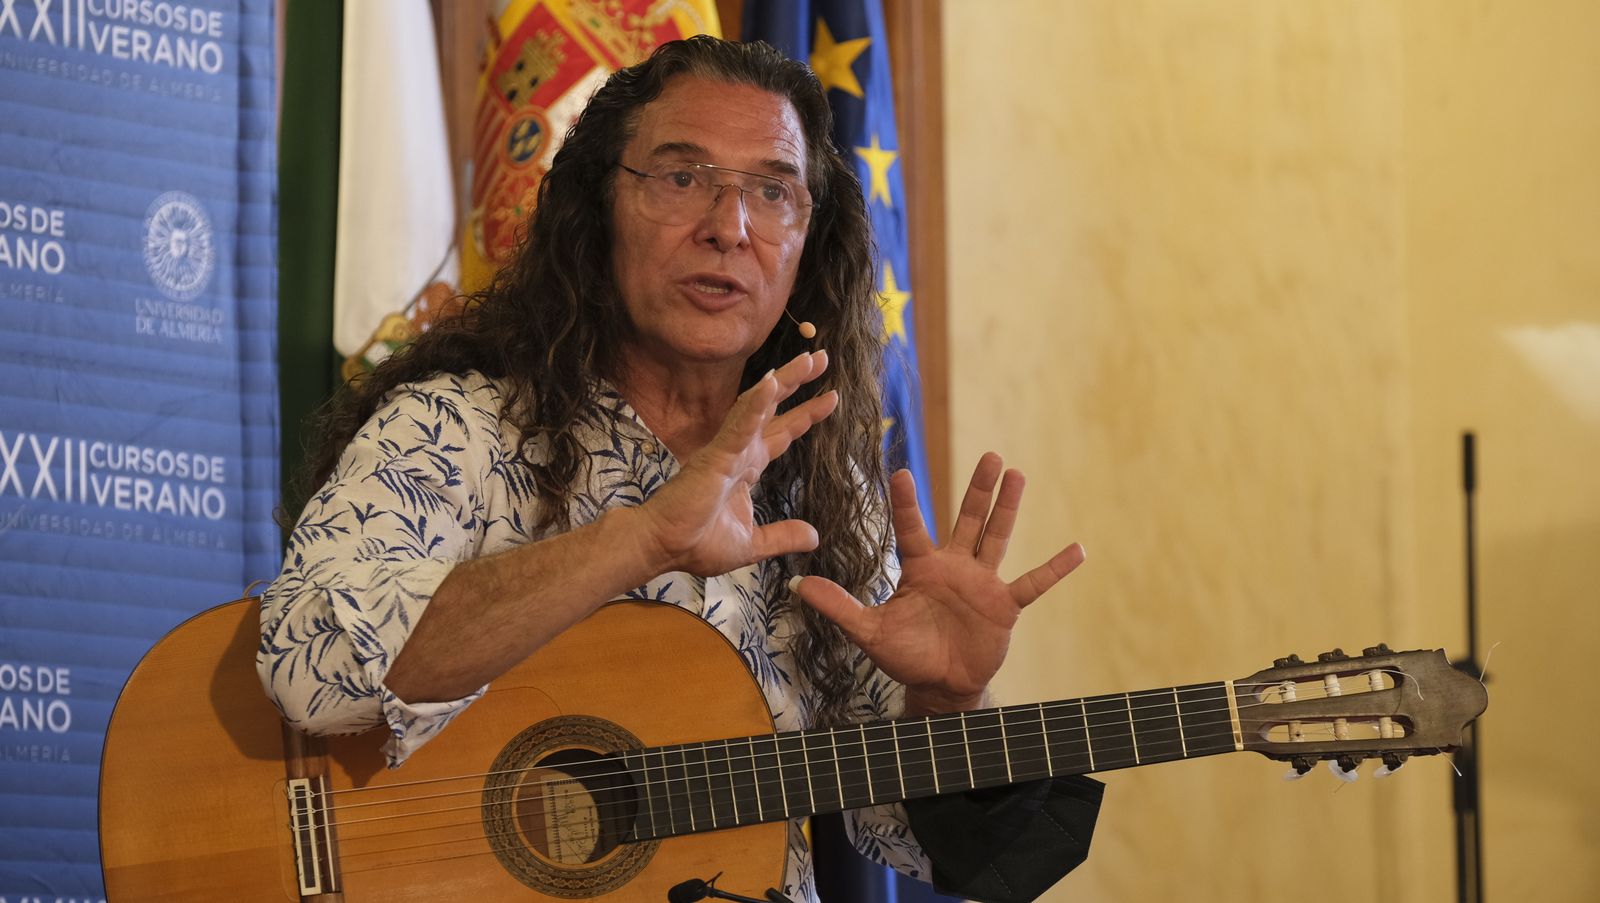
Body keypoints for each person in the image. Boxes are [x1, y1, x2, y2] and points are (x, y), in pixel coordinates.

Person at [259, 35, 1101, 903]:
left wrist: (944, 703)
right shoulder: (457, 427)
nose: (728, 227)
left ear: (808, 239)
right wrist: (643, 538)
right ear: (600, 208)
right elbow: (306, 668)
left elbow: (911, 838)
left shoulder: (826, 497)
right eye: (682, 177)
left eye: (772, 191)